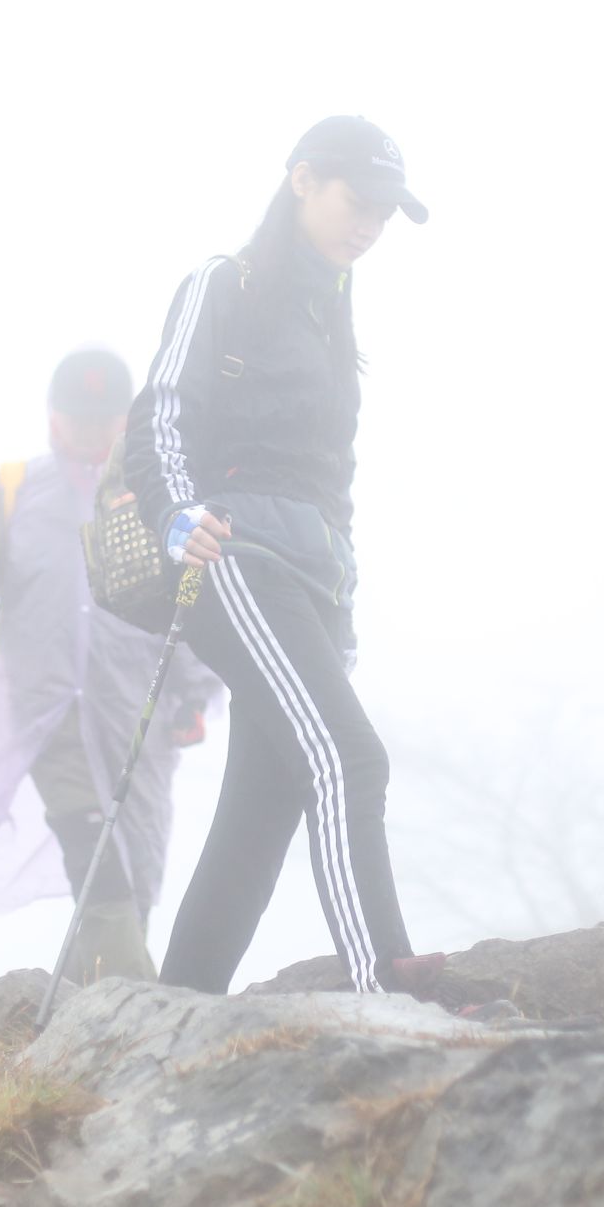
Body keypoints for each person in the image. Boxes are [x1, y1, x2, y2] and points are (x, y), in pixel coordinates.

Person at [128, 115, 434, 997]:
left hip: (308, 577)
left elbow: (326, 479)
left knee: (260, 813)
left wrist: (338, 607)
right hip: (234, 555)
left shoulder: (328, 310)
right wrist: (177, 515)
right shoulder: (225, 282)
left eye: (384, 212)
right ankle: (385, 983)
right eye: (357, 201)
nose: (370, 225)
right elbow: (160, 418)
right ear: (301, 179)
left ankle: (176, 1009)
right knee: (348, 759)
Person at [0, 348, 225, 981]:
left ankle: (94, 1001)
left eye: (104, 420)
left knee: (136, 859)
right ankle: (136, 996)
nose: (90, 433)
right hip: (49, 712)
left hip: (142, 709)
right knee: (93, 848)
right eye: (78, 419)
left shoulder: (164, 502)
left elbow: (195, 600)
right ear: (53, 418)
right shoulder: (11, 493)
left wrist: (195, 696)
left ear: (128, 421)